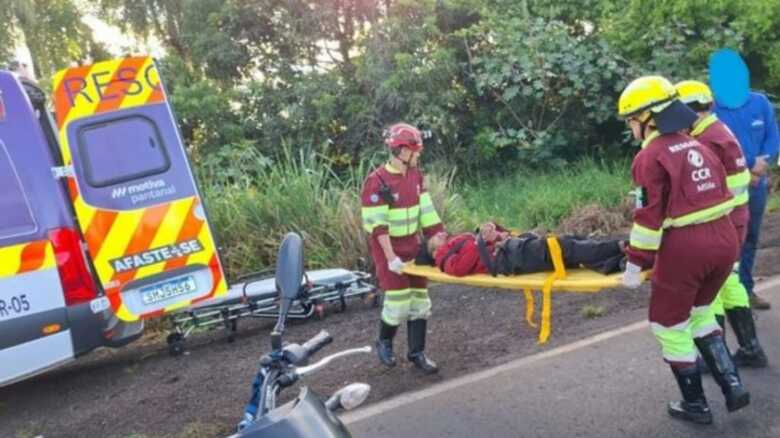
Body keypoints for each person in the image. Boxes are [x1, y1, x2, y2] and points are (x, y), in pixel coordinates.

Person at [618, 75, 748, 424]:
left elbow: (649, 220)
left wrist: (635, 265)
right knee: (702, 312)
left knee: (668, 324)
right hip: (724, 240)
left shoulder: (649, 157)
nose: (630, 127)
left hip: (687, 247)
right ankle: (732, 385)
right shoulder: (697, 144)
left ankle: (696, 405)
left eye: (630, 120)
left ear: (646, 117)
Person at [676, 80, 768, 369]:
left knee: (711, 287)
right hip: (734, 220)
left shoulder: (706, 141)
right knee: (729, 282)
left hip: (722, 223)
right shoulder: (716, 130)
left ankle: (716, 358)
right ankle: (750, 349)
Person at [361, 122, 445, 374]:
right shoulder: (377, 181)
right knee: (398, 303)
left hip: (413, 244)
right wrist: (390, 258)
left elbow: (427, 213)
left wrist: (439, 240)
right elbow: (377, 227)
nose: (418, 155)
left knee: (420, 302)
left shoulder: (416, 175)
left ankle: (417, 353)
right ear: (402, 151)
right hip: (388, 247)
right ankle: (384, 342)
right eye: (416, 151)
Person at [710, 49, 779, 310]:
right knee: (726, 242)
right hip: (726, 191)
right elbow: (716, 146)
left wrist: (762, 165)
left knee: (751, 238)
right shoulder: (711, 109)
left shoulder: (760, 102)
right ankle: (721, 295)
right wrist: (750, 164)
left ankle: (746, 290)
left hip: (757, 186)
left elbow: (773, 137)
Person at [423, 223, 626, 277]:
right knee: (561, 247)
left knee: (569, 244)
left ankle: (618, 260)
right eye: (435, 239)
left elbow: (481, 247)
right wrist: (481, 241)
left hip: (510, 249)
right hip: (508, 258)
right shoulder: (444, 260)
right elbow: (461, 268)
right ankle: (619, 247)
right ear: (433, 252)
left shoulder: (456, 243)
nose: (441, 234)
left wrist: (495, 232)